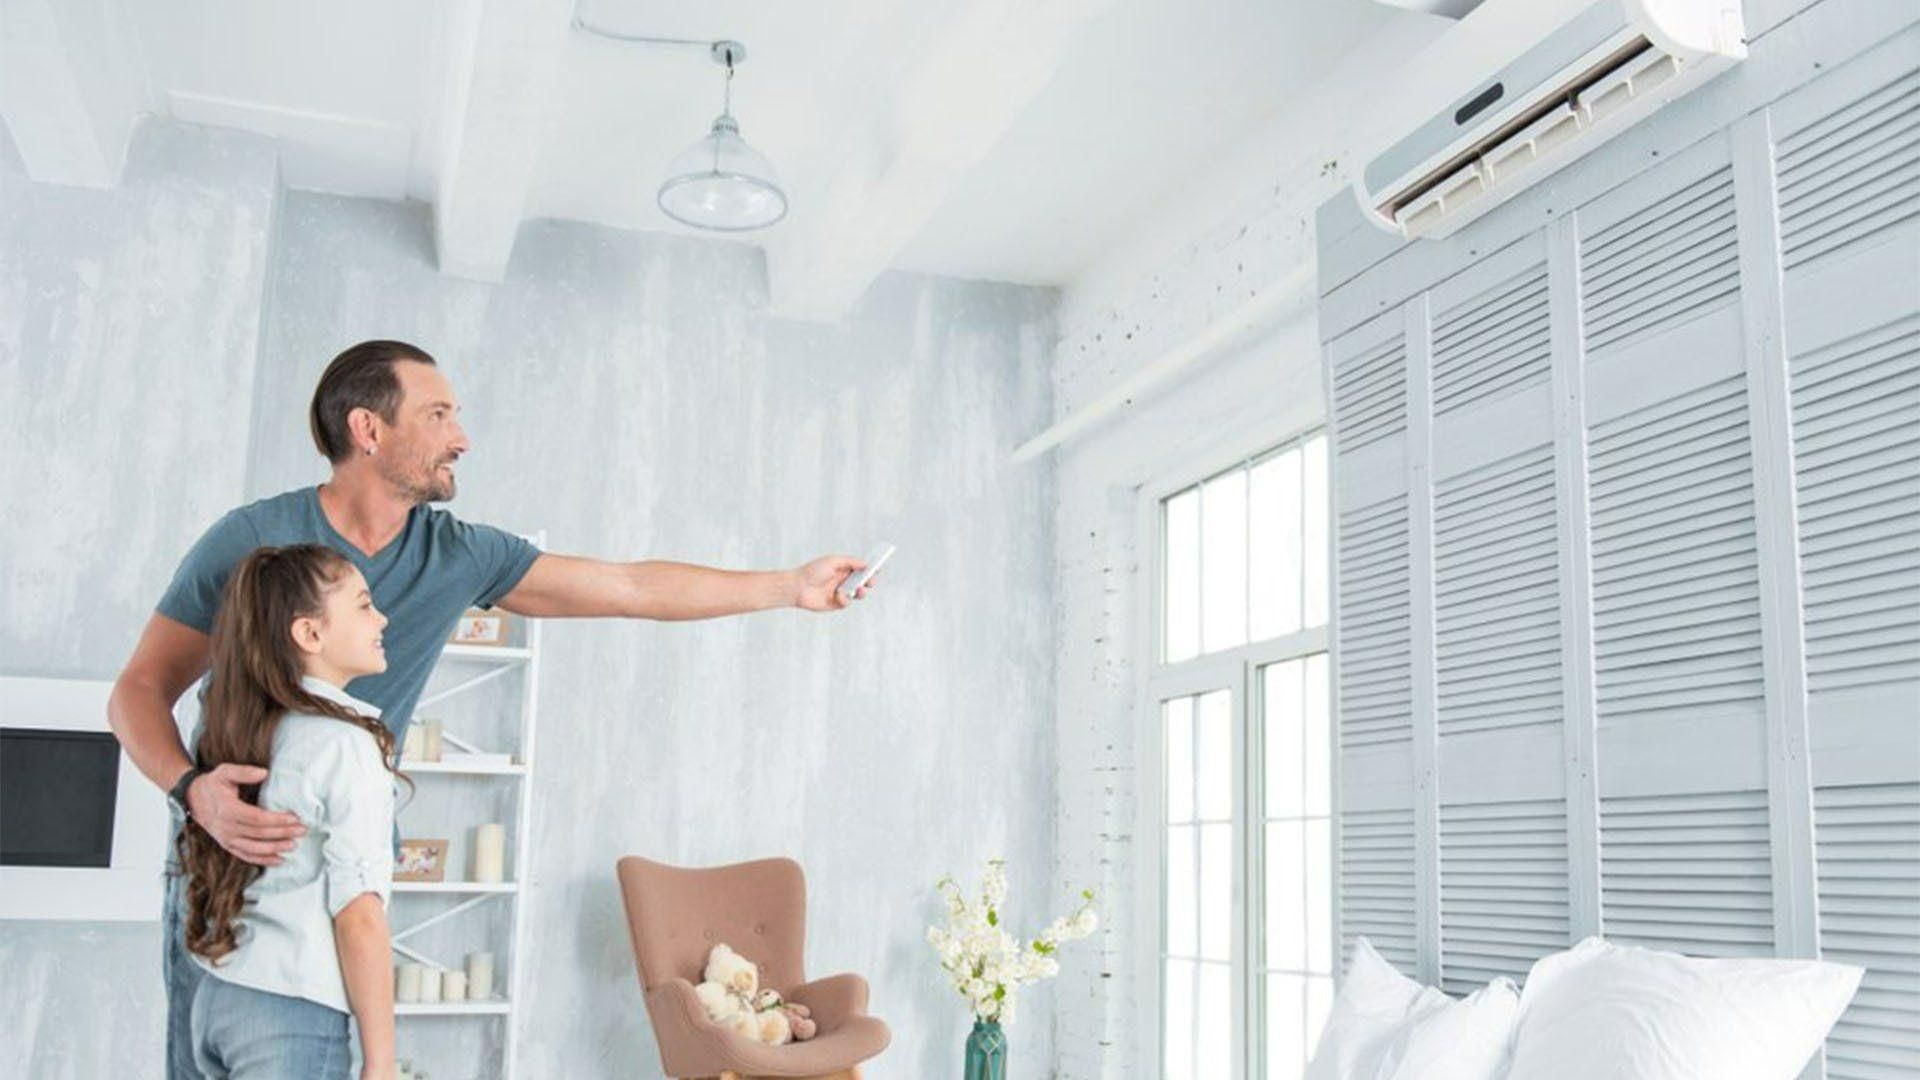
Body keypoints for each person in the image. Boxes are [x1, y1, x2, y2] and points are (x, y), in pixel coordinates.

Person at [107, 339, 879, 1078]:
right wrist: (190, 790)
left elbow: (629, 588)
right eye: (439, 414)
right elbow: (138, 692)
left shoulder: (458, 555)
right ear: (368, 429)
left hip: (344, 869)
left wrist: (787, 586)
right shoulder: (254, 541)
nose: (463, 437)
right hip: (222, 865)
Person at [178, 543, 402, 1079]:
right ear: (310, 634)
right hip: (293, 1011)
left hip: (219, 997)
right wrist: (382, 1062)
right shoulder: (343, 744)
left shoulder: (248, 730)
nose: (383, 617)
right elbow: (360, 916)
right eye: (364, 605)